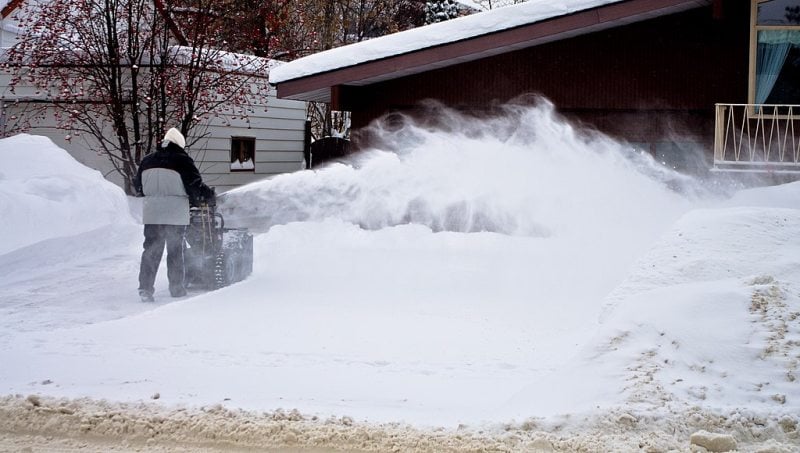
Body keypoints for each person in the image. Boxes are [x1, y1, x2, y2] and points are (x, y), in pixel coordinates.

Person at [134, 127, 212, 302]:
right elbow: (195, 187)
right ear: (179, 144)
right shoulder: (183, 161)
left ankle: (145, 289)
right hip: (175, 214)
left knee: (151, 251)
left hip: (152, 213)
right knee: (176, 251)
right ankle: (177, 289)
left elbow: (138, 188)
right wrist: (208, 197)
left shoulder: (147, 161)